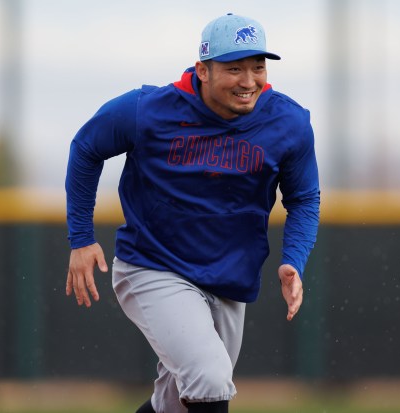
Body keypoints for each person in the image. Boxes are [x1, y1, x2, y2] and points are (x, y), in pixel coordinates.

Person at [65, 13, 320, 413]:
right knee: (210, 378)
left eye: (258, 67)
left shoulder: (288, 122)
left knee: (180, 403)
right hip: (153, 265)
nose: (249, 80)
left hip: (229, 277)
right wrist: (81, 237)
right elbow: (86, 147)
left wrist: (294, 260)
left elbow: (304, 198)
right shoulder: (149, 109)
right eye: (234, 68)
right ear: (202, 69)